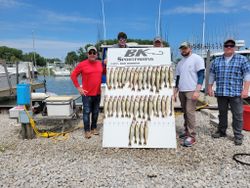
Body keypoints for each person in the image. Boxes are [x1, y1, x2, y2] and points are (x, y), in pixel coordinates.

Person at [208, 39, 250, 145]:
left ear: (235, 47)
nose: (229, 47)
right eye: (227, 45)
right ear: (224, 47)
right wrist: (209, 87)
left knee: (238, 115)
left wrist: (245, 90)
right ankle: (221, 131)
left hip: (235, 93)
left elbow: (247, 75)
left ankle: (238, 135)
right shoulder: (216, 61)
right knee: (222, 114)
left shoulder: (242, 59)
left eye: (231, 45)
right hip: (221, 92)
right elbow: (212, 75)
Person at [174, 41, 205, 147]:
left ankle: (192, 136)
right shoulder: (180, 62)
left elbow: (201, 75)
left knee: (190, 112)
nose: (183, 50)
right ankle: (187, 131)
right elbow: (178, 78)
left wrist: (197, 90)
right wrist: (175, 91)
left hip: (192, 90)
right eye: (182, 48)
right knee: (185, 112)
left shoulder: (197, 58)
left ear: (190, 48)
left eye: (185, 48)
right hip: (182, 90)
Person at [71, 46, 106, 139]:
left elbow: (105, 72)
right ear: (87, 54)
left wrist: (105, 65)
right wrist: (79, 88)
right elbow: (73, 75)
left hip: (98, 93)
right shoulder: (82, 64)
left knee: (95, 112)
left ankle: (94, 128)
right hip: (87, 94)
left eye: (94, 53)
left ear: (97, 54)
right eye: (90, 53)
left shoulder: (100, 64)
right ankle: (87, 130)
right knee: (86, 112)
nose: (92, 54)